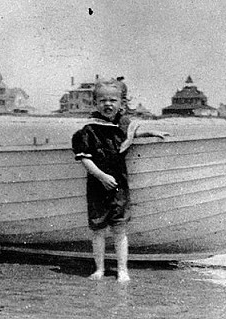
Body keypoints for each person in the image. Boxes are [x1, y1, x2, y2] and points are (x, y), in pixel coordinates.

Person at [72, 79, 169, 282]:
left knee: (119, 229)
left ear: (121, 103)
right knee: (98, 229)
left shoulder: (123, 123)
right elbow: (85, 160)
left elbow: (129, 134)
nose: (108, 104)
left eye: (113, 100)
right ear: (95, 103)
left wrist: (150, 132)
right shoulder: (89, 130)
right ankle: (99, 269)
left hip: (119, 186)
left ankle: (122, 270)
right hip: (98, 185)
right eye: (103, 100)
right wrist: (102, 176)